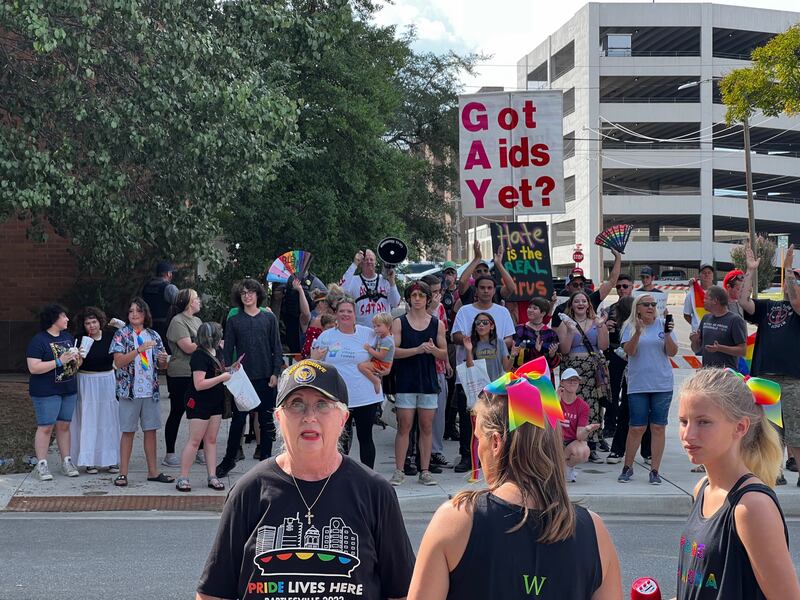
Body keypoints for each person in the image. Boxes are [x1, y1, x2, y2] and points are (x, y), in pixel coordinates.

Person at [196, 359, 415, 600]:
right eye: (296, 404)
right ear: (279, 418)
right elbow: (213, 593)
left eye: (323, 405)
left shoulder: (375, 493)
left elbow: (402, 593)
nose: (309, 416)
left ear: (343, 418)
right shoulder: (249, 491)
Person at [407, 368, 622, 600]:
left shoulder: (457, 520)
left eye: (479, 439)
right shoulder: (595, 531)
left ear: (496, 442)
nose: (478, 450)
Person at [676, 368, 800, 599]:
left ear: (740, 427)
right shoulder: (702, 488)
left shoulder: (751, 507)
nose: (688, 434)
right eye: (684, 421)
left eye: (703, 422)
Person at [739, 242, 800, 485]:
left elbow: (795, 300)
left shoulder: (797, 308)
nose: (792, 284)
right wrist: (750, 270)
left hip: (792, 376)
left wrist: (788, 269)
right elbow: (743, 301)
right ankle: (776, 472)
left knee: (796, 428)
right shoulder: (767, 306)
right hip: (764, 376)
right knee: (771, 429)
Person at [216, 278, 283, 477]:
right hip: (242, 380)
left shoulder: (269, 319)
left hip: (266, 377)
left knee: (267, 423)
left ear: (258, 295)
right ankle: (229, 460)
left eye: (251, 292)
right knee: (238, 422)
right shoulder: (234, 320)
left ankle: (267, 463)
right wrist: (229, 371)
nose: (247, 295)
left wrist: (275, 373)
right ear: (240, 296)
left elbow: (276, 348)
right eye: (244, 292)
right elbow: (228, 349)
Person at [451, 275, 515, 473]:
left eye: (489, 288)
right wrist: (472, 340)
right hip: (470, 380)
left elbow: (509, 340)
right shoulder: (465, 311)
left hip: (495, 381)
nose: (486, 291)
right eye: (482, 288)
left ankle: (497, 457)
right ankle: (467, 457)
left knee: (496, 421)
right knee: (469, 421)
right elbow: (455, 336)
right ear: (476, 290)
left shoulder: (502, 312)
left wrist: (509, 352)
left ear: (494, 291)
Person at [311, 298, 385, 468]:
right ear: (336, 314)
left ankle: (368, 477)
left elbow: (388, 347)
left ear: (355, 314)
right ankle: (341, 476)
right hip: (337, 397)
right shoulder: (327, 336)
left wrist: (383, 367)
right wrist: (314, 358)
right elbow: (313, 361)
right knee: (340, 439)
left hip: (365, 396)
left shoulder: (368, 333)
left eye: (349, 311)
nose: (345, 314)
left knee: (365, 437)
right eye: (341, 311)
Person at [390, 281, 449, 486]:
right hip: (406, 380)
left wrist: (432, 350)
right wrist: (417, 349)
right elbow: (393, 351)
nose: (417, 299)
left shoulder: (436, 324)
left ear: (427, 298)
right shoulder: (399, 322)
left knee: (426, 426)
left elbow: (444, 352)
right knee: (404, 426)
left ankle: (425, 470)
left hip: (428, 381)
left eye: (421, 295)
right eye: (414, 295)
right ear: (408, 298)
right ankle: (399, 470)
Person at [110, 297, 171, 486]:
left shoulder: (153, 335)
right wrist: (138, 349)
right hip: (129, 391)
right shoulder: (122, 334)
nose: (134, 314)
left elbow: (162, 366)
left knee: (150, 431)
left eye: (138, 311)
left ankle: (153, 471)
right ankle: (123, 473)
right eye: (131, 311)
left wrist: (163, 360)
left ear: (145, 314)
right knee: (128, 431)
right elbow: (118, 362)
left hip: (149, 390)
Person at [618, 294, 678, 485]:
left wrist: (668, 334)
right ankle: (627, 467)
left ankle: (655, 470)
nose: (651, 307)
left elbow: (672, 352)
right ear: (638, 308)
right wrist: (638, 331)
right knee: (637, 427)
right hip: (638, 384)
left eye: (653, 304)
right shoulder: (629, 326)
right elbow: (629, 351)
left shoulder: (663, 325)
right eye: (646, 304)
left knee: (658, 427)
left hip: (662, 384)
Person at [175, 323, 235, 493]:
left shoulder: (218, 351)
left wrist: (230, 369)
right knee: (195, 440)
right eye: (219, 334)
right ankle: (183, 477)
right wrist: (222, 377)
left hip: (215, 400)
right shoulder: (199, 356)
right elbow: (199, 384)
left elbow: (217, 371)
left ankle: (212, 475)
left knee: (211, 440)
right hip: (200, 401)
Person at [26, 304, 82, 481]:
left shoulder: (67, 337)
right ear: (54, 319)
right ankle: (42, 464)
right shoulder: (39, 340)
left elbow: (74, 366)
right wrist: (59, 361)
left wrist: (77, 359)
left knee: (64, 426)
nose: (67, 319)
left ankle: (66, 461)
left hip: (68, 388)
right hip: (46, 391)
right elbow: (33, 367)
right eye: (64, 316)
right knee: (46, 427)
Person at [556, 291, 610, 462]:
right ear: (571, 304)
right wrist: (571, 331)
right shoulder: (565, 323)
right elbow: (564, 350)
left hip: (592, 371)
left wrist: (601, 326)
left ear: (589, 304)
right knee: (570, 405)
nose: (580, 303)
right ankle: (570, 443)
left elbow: (603, 345)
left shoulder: (596, 322)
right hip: (573, 369)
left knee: (593, 406)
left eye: (584, 301)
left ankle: (591, 446)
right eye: (576, 301)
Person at [70, 307, 120, 474]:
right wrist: (79, 356)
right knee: (89, 420)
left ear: (100, 322)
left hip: (107, 380)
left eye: (94, 322)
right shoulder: (79, 339)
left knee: (108, 420)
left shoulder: (110, 336)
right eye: (87, 323)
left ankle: (111, 459)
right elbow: (75, 367)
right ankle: (89, 460)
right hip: (86, 381)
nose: (91, 326)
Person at [163, 288, 203, 468]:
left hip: (197, 372)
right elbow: (188, 347)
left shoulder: (197, 320)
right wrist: (210, 341)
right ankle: (169, 453)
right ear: (188, 302)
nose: (199, 301)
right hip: (180, 373)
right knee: (177, 411)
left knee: (199, 413)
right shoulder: (177, 322)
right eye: (196, 298)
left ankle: (200, 451)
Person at [422, 273, 454, 470]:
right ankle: (420, 452)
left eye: (439, 291)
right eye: (433, 292)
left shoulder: (441, 308)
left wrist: (447, 361)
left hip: (438, 366)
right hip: (420, 367)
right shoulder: (414, 310)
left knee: (439, 411)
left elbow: (442, 338)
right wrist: (431, 309)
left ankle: (436, 450)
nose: (437, 296)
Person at [550, 249, 622, 328]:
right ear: (567, 287)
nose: (579, 287)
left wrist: (618, 257)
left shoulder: (592, 300)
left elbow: (612, 281)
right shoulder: (560, 309)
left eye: (581, 284)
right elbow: (555, 334)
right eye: (575, 285)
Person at [603, 273, 634, 444]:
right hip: (614, 354)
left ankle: (629, 424)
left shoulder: (640, 307)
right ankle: (609, 425)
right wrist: (605, 326)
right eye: (619, 286)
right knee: (612, 392)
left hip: (634, 356)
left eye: (625, 286)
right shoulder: (610, 310)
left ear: (632, 287)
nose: (622, 289)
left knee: (631, 393)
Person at [689, 285, 747, 370]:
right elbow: (697, 350)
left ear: (715, 301)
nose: (703, 301)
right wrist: (694, 341)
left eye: (706, 298)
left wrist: (720, 348)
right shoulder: (706, 318)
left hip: (726, 375)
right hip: (708, 374)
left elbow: (742, 351)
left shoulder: (735, 320)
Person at [340, 248, 400, 327]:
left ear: (375, 263)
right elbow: (340, 290)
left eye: (371, 259)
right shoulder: (354, 280)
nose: (369, 262)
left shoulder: (385, 280)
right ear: (361, 263)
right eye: (365, 259)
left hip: (384, 331)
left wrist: (392, 281)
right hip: (362, 331)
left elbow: (395, 303)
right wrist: (355, 264)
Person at [558, 369, 597, 483]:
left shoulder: (583, 406)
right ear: (562, 383)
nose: (573, 383)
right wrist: (555, 401)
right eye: (569, 380)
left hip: (569, 441)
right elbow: (548, 426)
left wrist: (587, 430)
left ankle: (567, 468)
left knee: (584, 451)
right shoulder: (554, 400)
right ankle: (558, 467)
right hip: (553, 440)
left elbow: (579, 435)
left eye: (575, 381)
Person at [457, 240, 515, 307]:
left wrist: (499, 264)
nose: (483, 273)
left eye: (485, 270)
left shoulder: (496, 290)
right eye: (479, 271)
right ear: (473, 275)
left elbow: (511, 288)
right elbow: (462, 281)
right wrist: (477, 258)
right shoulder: (469, 291)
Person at [510, 297, 559, 370]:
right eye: (529, 307)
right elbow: (513, 358)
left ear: (543, 313)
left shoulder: (550, 333)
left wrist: (552, 355)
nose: (530, 310)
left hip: (543, 376)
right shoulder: (519, 329)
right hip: (523, 374)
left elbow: (553, 364)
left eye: (535, 308)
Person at [463, 313, 510, 380]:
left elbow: (507, 369)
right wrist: (468, 350)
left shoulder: (499, 342)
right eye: (478, 322)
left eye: (485, 322)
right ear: (475, 327)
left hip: (497, 384)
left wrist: (513, 356)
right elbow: (470, 370)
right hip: (480, 386)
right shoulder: (471, 343)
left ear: (492, 326)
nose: (481, 325)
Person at [141, 261, 179, 343]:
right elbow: (181, 303)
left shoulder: (146, 287)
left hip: (148, 326)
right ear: (168, 274)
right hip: (165, 327)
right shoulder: (169, 288)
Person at [357, 313, 395, 394]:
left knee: (361, 366)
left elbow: (381, 356)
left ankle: (375, 381)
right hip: (380, 362)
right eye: (374, 326)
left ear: (388, 326)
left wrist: (369, 349)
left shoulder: (387, 340)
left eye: (378, 326)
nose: (376, 329)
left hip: (382, 363)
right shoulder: (381, 337)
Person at [301, 289, 334, 359]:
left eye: (323, 302)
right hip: (308, 354)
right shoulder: (311, 317)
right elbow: (305, 313)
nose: (319, 304)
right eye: (317, 302)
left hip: (325, 353)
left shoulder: (333, 319)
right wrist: (300, 290)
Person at [683, 261, 716, 331]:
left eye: (709, 272)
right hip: (698, 333)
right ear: (699, 276)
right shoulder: (691, 295)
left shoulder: (719, 292)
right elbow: (686, 315)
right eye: (704, 273)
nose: (707, 275)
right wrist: (696, 324)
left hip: (716, 331)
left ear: (713, 275)